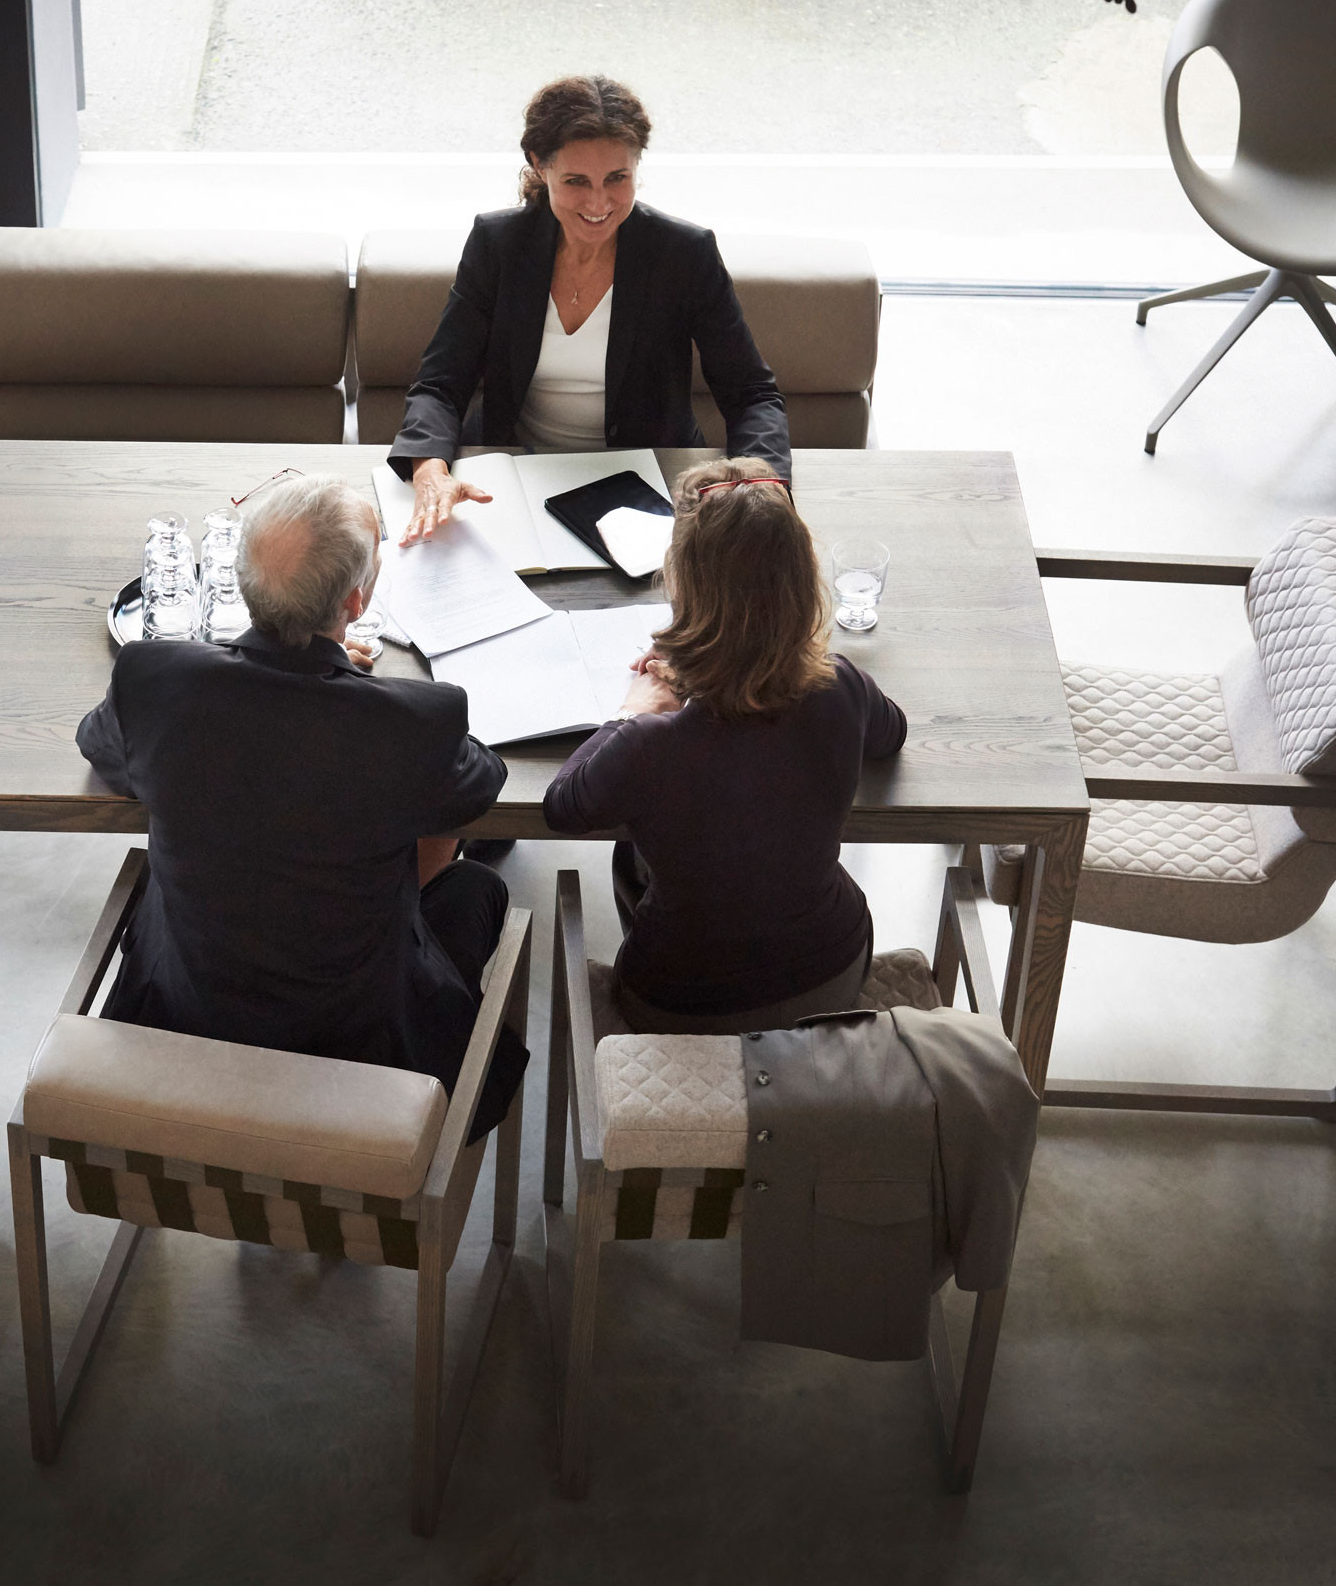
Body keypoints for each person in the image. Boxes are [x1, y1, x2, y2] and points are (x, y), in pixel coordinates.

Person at [75, 474, 527, 1133]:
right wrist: (352, 684)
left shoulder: (157, 681)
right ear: (355, 598)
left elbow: (101, 743)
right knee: (477, 885)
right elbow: (480, 781)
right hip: (365, 1062)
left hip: (182, 1024)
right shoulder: (412, 723)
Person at [542, 460, 905, 1033]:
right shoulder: (843, 684)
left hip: (678, 1006)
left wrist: (634, 709)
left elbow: (562, 806)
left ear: (682, 582)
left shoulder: (645, 746)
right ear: (800, 580)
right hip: (833, 974)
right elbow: (892, 736)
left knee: (631, 857)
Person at [389, 74, 793, 544]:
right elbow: (441, 383)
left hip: (650, 482)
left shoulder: (683, 253)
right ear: (539, 166)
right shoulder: (498, 244)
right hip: (515, 477)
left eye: (617, 178)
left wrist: (764, 488)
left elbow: (752, 395)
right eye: (577, 181)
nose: (599, 202)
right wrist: (430, 470)